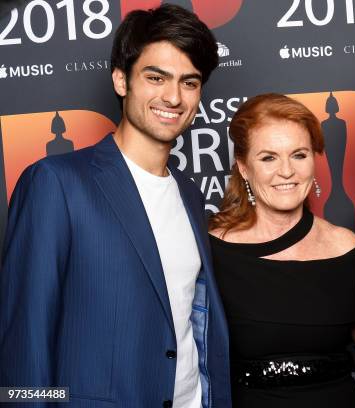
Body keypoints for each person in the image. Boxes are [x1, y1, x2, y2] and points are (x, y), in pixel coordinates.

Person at [0, 5, 231, 407]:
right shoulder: (56, 183)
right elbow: (26, 340)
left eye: (189, 82)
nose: (173, 97)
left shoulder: (190, 194)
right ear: (121, 80)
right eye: (155, 77)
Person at [208, 93, 355, 408]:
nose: (287, 172)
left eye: (299, 155)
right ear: (244, 168)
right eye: (268, 158)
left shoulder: (347, 247)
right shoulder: (212, 251)